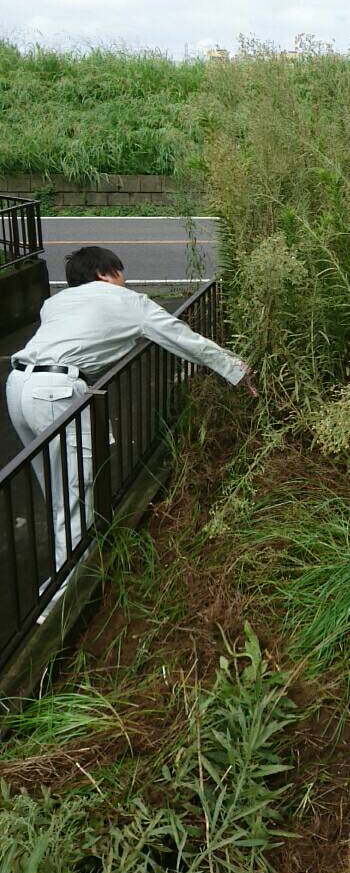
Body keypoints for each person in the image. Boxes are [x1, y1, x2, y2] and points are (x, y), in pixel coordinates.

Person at [6, 246, 256, 614]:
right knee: (77, 493)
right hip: (56, 394)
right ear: (107, 273)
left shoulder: (55, 304)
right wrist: (236, 367)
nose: (125, 281)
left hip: (18, 387)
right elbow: (181, 337)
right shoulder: (127, 301)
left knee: (58, 492)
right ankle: (62, 604)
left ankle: (63, 578)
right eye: (121, 274)